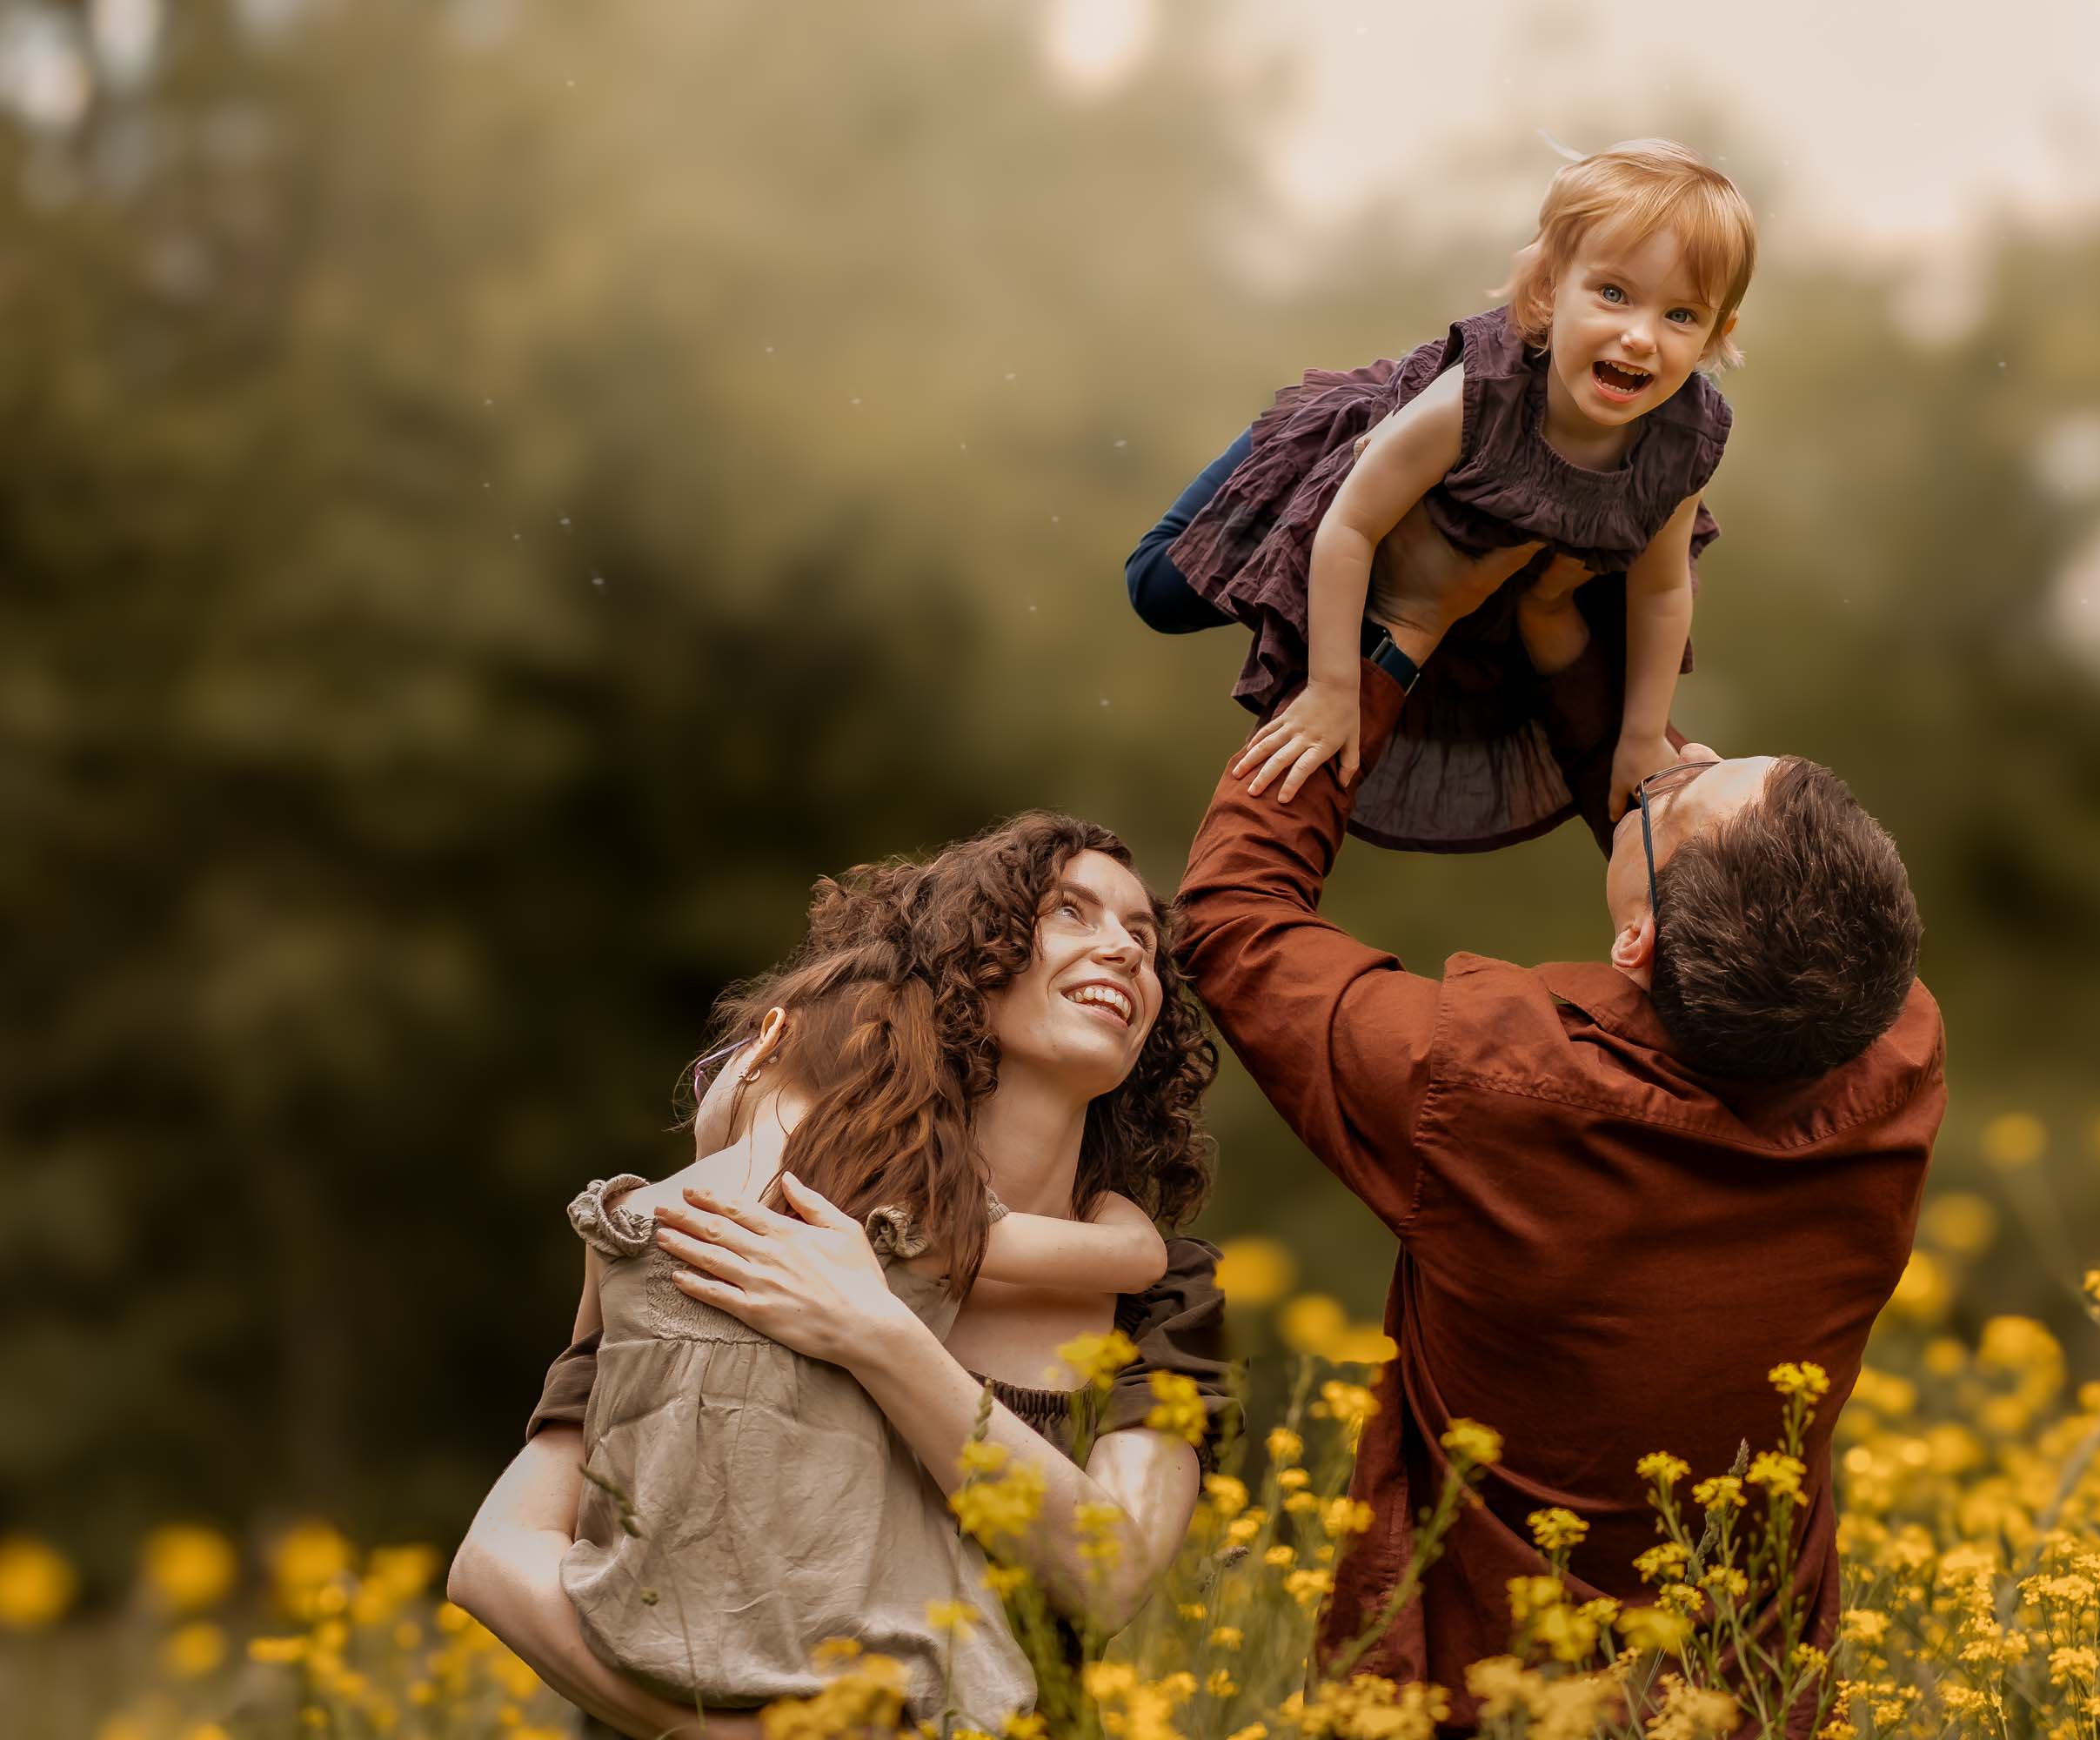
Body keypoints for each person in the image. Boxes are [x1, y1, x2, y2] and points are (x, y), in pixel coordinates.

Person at [1171, 511, 1945, 1732]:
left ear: (1636, 945)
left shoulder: (1481, 1088)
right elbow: (1704, 894)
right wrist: (1563, 646)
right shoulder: (1893, 1049)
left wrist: (1401, 633)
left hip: (1477, 1701)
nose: (1680, 757)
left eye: (1687, 783)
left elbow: (1235, 916)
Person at [449, 813, 1236, 1739]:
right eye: (1072, 911)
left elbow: (1106, 1577)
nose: (1123, 948)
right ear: (969, 958)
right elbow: (495, 1560)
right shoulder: (747, 1229)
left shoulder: (1162, 1296)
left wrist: (879, 1335)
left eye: (1143, 936)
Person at [1126, 138, 1756, 851]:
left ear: (1715, 334)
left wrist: (1643, 737)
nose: (1640, 336)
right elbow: (1350, 526)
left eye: (1681, 316)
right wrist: (1332, 690)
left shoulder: (1682, 438)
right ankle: (1275, 445)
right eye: (1613, 294)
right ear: (1550, 289)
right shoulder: (1475, 401)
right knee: (1159, 593)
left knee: (1490, 663)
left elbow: (1661, 591)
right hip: (1356, 471)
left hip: (1486, 544)